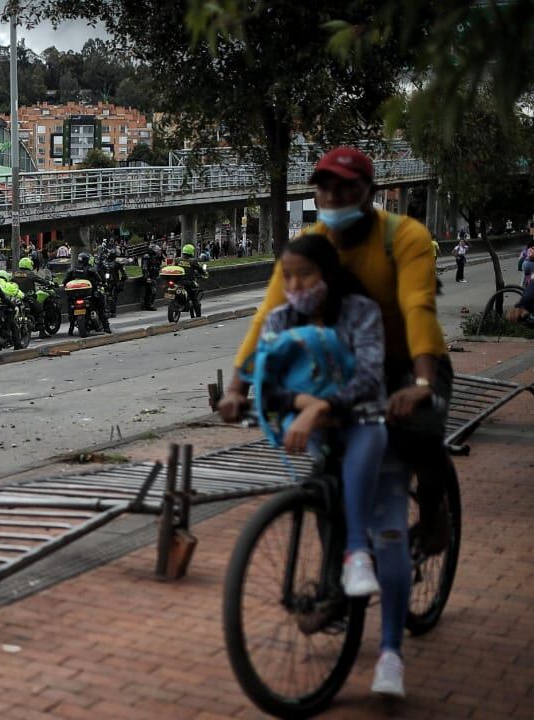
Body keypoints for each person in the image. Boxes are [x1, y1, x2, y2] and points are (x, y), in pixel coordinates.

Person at [219, 146, 453, 700]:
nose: (333, 198)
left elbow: (418, 309)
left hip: (407, 363)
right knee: (330, 473)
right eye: (324, 188)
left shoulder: (404, 237)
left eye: (346, 189)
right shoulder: (312, 252)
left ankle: (438, 508)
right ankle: (338, 579)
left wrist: (419, 386)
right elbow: (268, 317)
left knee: (418, 433)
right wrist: (237, 384)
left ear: (367, 193)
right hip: (339, 369)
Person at [249, 235, 389, 598]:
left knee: (359, 469)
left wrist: (321, 407)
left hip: (362, 420)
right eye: (287, 277)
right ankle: (334, 587)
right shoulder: (279, 320)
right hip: (314, 429)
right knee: (325, 494)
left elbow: (370, 378)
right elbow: (265, 384)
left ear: (327, 273)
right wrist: (304, 404)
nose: (294, 287)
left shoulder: (361, 312)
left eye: (304, 276)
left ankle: (358, 554)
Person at [63, 252, 110, 334]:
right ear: (87, 260)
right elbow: (99, 279)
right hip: (90, 295)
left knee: (71, 308)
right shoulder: (90, 269)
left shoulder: (72, 269)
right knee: (101, 308)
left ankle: (70, 329)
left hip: (75, 296)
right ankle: (107, 328)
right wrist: (102, 283)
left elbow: (65, 282)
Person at [176, 243, 210, 313]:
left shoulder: (177, 260)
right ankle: (198, 315)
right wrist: (205, 273)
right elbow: (200, 270)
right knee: (194, 298)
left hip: (177, 281)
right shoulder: (193, 261)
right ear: (191, 252)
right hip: (188, 282)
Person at [139, 243, 164, 310]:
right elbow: (144, 268)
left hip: (153, 276)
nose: (157, 251)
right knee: (151, 291)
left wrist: (160, 256)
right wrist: (147, 277)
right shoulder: (147, 256)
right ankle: (148, 305)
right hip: (148, 276)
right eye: (155, 250)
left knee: (151, 291)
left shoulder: (155, 257)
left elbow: (158, 265)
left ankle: (148, 304)